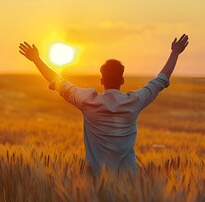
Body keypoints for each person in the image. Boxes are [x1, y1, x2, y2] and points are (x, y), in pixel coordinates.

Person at [19, 34, 189, 174]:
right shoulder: (134, 101)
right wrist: (175, 53)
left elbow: (58, 82)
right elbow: (160, 81)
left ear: (101, 80)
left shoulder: (88, 101)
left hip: (95, 181)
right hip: (129, 182)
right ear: (122, 80)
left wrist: (37, 59)